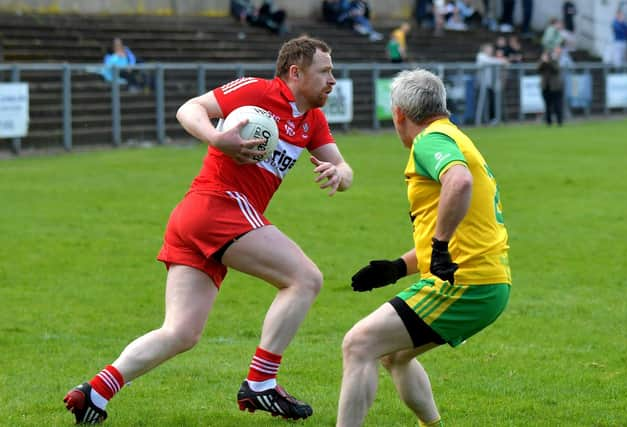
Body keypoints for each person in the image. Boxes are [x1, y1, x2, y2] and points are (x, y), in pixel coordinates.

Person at [63, 36, 353, 424]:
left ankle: (95, 392)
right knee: (305, 278)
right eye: (325, 71)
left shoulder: (312, 119)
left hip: (200, 217)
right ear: (295, 72)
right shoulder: (257, 90)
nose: (332, 79)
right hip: (218, 205)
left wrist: (339, 172)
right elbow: (190, 109)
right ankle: (261, 382)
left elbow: (345, 170)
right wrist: (218, 138)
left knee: (181, 332)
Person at [336, 68, 511, 427]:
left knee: (358, 345)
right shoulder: (454, 137)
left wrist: (441, 246)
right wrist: (397, 268)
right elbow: (459, 229)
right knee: (395, 355)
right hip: (484, 281)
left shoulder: (430, 141)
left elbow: (458, 183)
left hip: (468, 283)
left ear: (399, 114)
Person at [538, 50, 564, 126]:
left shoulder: (555, 61)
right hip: (546, 87)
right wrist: (543, 61)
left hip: (556, 88)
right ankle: (548, 122)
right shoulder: (543, 63)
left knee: (557, 105)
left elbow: (556, 69)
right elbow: (538, 69)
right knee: (547, 106)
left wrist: (550, 61)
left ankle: (559, 122)